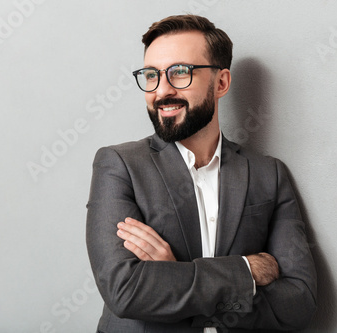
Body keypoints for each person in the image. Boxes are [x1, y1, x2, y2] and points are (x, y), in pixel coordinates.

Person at [86, 14, 316, 333]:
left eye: (180, 72)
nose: (161, 90)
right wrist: (245, 271)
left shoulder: (269, 175)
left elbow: (298, 303)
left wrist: (176, 276)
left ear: (220, 83)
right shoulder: (119, 165)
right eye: (152, 75)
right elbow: (126, 292)